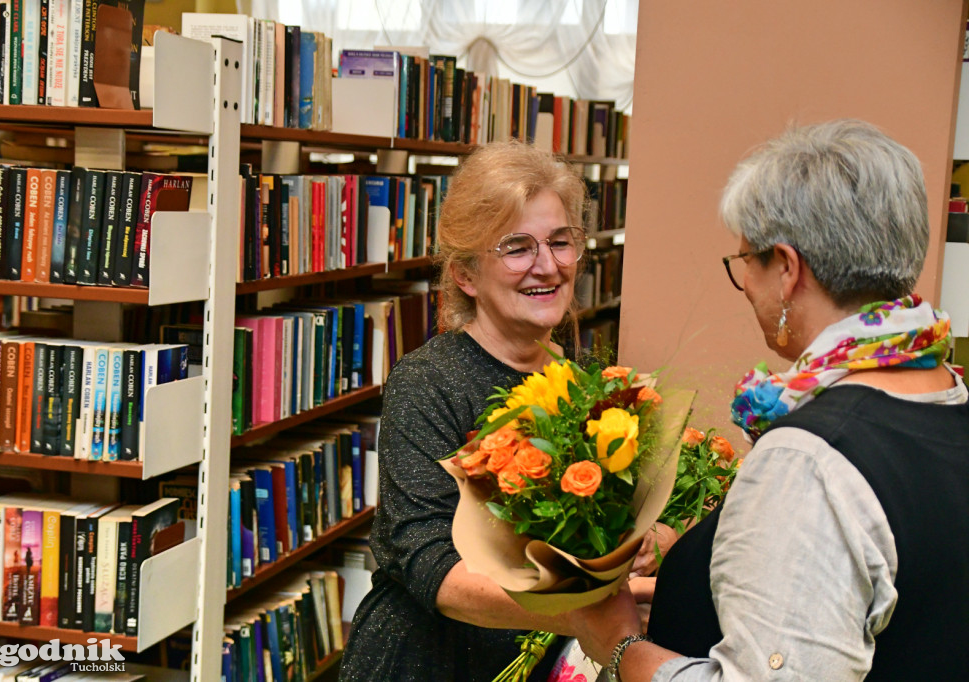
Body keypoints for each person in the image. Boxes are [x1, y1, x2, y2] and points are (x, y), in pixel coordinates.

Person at [571, 120, 969, 680]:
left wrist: (616, 641)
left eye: (744, 264)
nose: (746, 288)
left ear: (785, 268)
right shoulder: (946, 392)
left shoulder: (808, 459)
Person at [340, 141, 596, 681]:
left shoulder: (583, 378)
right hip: (427, 664)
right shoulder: (427, 382)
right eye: (517, 247)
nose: (546, 266)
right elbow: (434, 570)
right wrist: (585, 612)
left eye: (559, 241)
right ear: (465, 275)